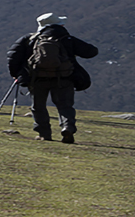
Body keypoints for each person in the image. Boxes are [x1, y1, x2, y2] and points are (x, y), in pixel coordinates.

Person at [6, 12, 99, 143]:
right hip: (64, 78)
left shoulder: (30, 39)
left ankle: (44, 134)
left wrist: (18, 75)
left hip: (37, 78)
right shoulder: (67, 39)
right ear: (58, 25)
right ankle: (68, 127)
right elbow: (91, 52)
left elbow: (12, 56)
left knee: (38, 107)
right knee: (65, 106)